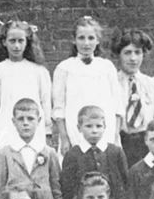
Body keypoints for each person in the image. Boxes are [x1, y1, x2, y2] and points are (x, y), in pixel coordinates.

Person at [51, 16, 124, 150]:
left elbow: (117, 106)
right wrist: (64, 138)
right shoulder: (64, 68)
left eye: (91, 38)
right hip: (75, 133)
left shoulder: (107, 67)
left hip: (105, 133)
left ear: (97, 40)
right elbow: (59, 108)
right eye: (81, 38)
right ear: (74, 40)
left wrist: (114, 136)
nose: (86, 43)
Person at [0, 98, 63, 199]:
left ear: (39, 121)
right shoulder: (6, 153)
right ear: (14, 122)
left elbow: (57, 188)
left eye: (30, 119)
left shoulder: (48, 152)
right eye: (21, 119)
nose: (25, 123)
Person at [0, 19, 51, 151]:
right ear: (4, 42)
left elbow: (46, 101)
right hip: (6, 127)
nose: (16, 46)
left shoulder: (39, 71)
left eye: (21, 41)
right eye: (12, 41)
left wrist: (48, 129)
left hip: (33, 127)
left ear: (27, 42)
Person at [60, 106, 128, 199]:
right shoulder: (73, 155)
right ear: (79, 128)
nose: (94, 130)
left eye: (98, 126)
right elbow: (67, 189)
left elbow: (124, 183)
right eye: (88, 126)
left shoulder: (115, 152)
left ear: (105, 127)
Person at [112, 29, 154, 168]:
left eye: (137, 52)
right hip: (120, 143)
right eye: (127, 53)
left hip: (146, 144)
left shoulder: (153, 84)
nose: (133, 58)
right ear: (119, 55)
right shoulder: (111, 84)